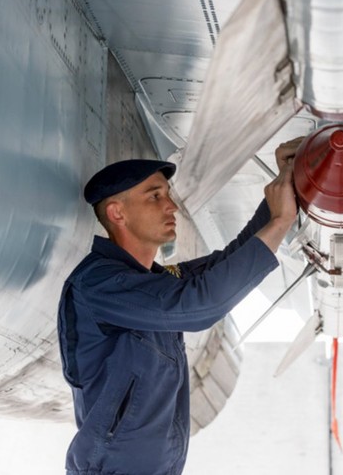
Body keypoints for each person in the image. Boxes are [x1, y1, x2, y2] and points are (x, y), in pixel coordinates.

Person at [57, 139, 300, 475]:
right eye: (155, 196)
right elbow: (201, 305)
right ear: (117, 213)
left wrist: (289, 180)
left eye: (167, 194)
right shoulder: (99, 284)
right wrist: (280, 223)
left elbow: (226, 264)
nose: (171, 206)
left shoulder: (148, 282)